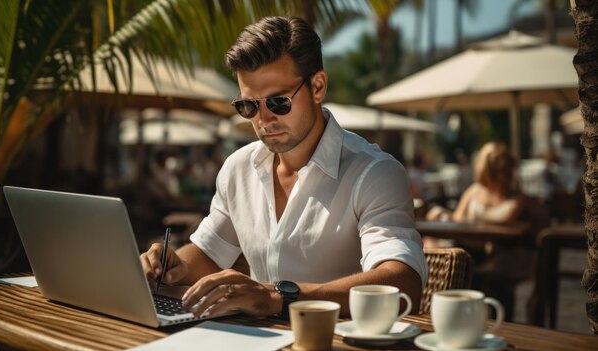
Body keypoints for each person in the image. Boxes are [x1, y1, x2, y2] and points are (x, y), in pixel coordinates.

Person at [140, 16, 427, 319]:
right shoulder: (238, 169)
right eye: (248, 106)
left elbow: (404, 284)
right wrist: (175, 264)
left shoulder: (374, 173)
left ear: (318, 87)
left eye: (278, 102)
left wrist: (279, 297)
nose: (263, 120)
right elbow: (209, 252)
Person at [426, 142, 525, 223]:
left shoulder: (516, 198)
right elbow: (457, 217)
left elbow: (504, 221)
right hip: (467, 245)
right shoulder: (475, 190)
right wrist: (442, 213)